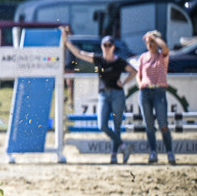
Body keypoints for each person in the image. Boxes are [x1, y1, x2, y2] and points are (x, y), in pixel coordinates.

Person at [63, 29, 137, 164]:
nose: (107, 48)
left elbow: (133, 71)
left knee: (116, 125)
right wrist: (67, 42)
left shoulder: (119, 61)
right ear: (102, 46)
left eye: (109, 45)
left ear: (113, 47)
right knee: (102, 124)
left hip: (117, 94)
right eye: (105, 45)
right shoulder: (98, 59)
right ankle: (123, 146)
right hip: (103, 94)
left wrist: (124, 83)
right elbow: (79, 54)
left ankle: (114, 155)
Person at [135, 30, 174, 164]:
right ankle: (153, 152)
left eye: (152, 41)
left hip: (159, 90)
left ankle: (169, 152)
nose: (150, 44)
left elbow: (165, 48)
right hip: (145, 91)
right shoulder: (143, 57)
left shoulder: (162, 56)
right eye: (148, 41)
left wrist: (155, 38)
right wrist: (140, 84)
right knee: (149, 124)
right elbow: (138, 74)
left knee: (163, 123)